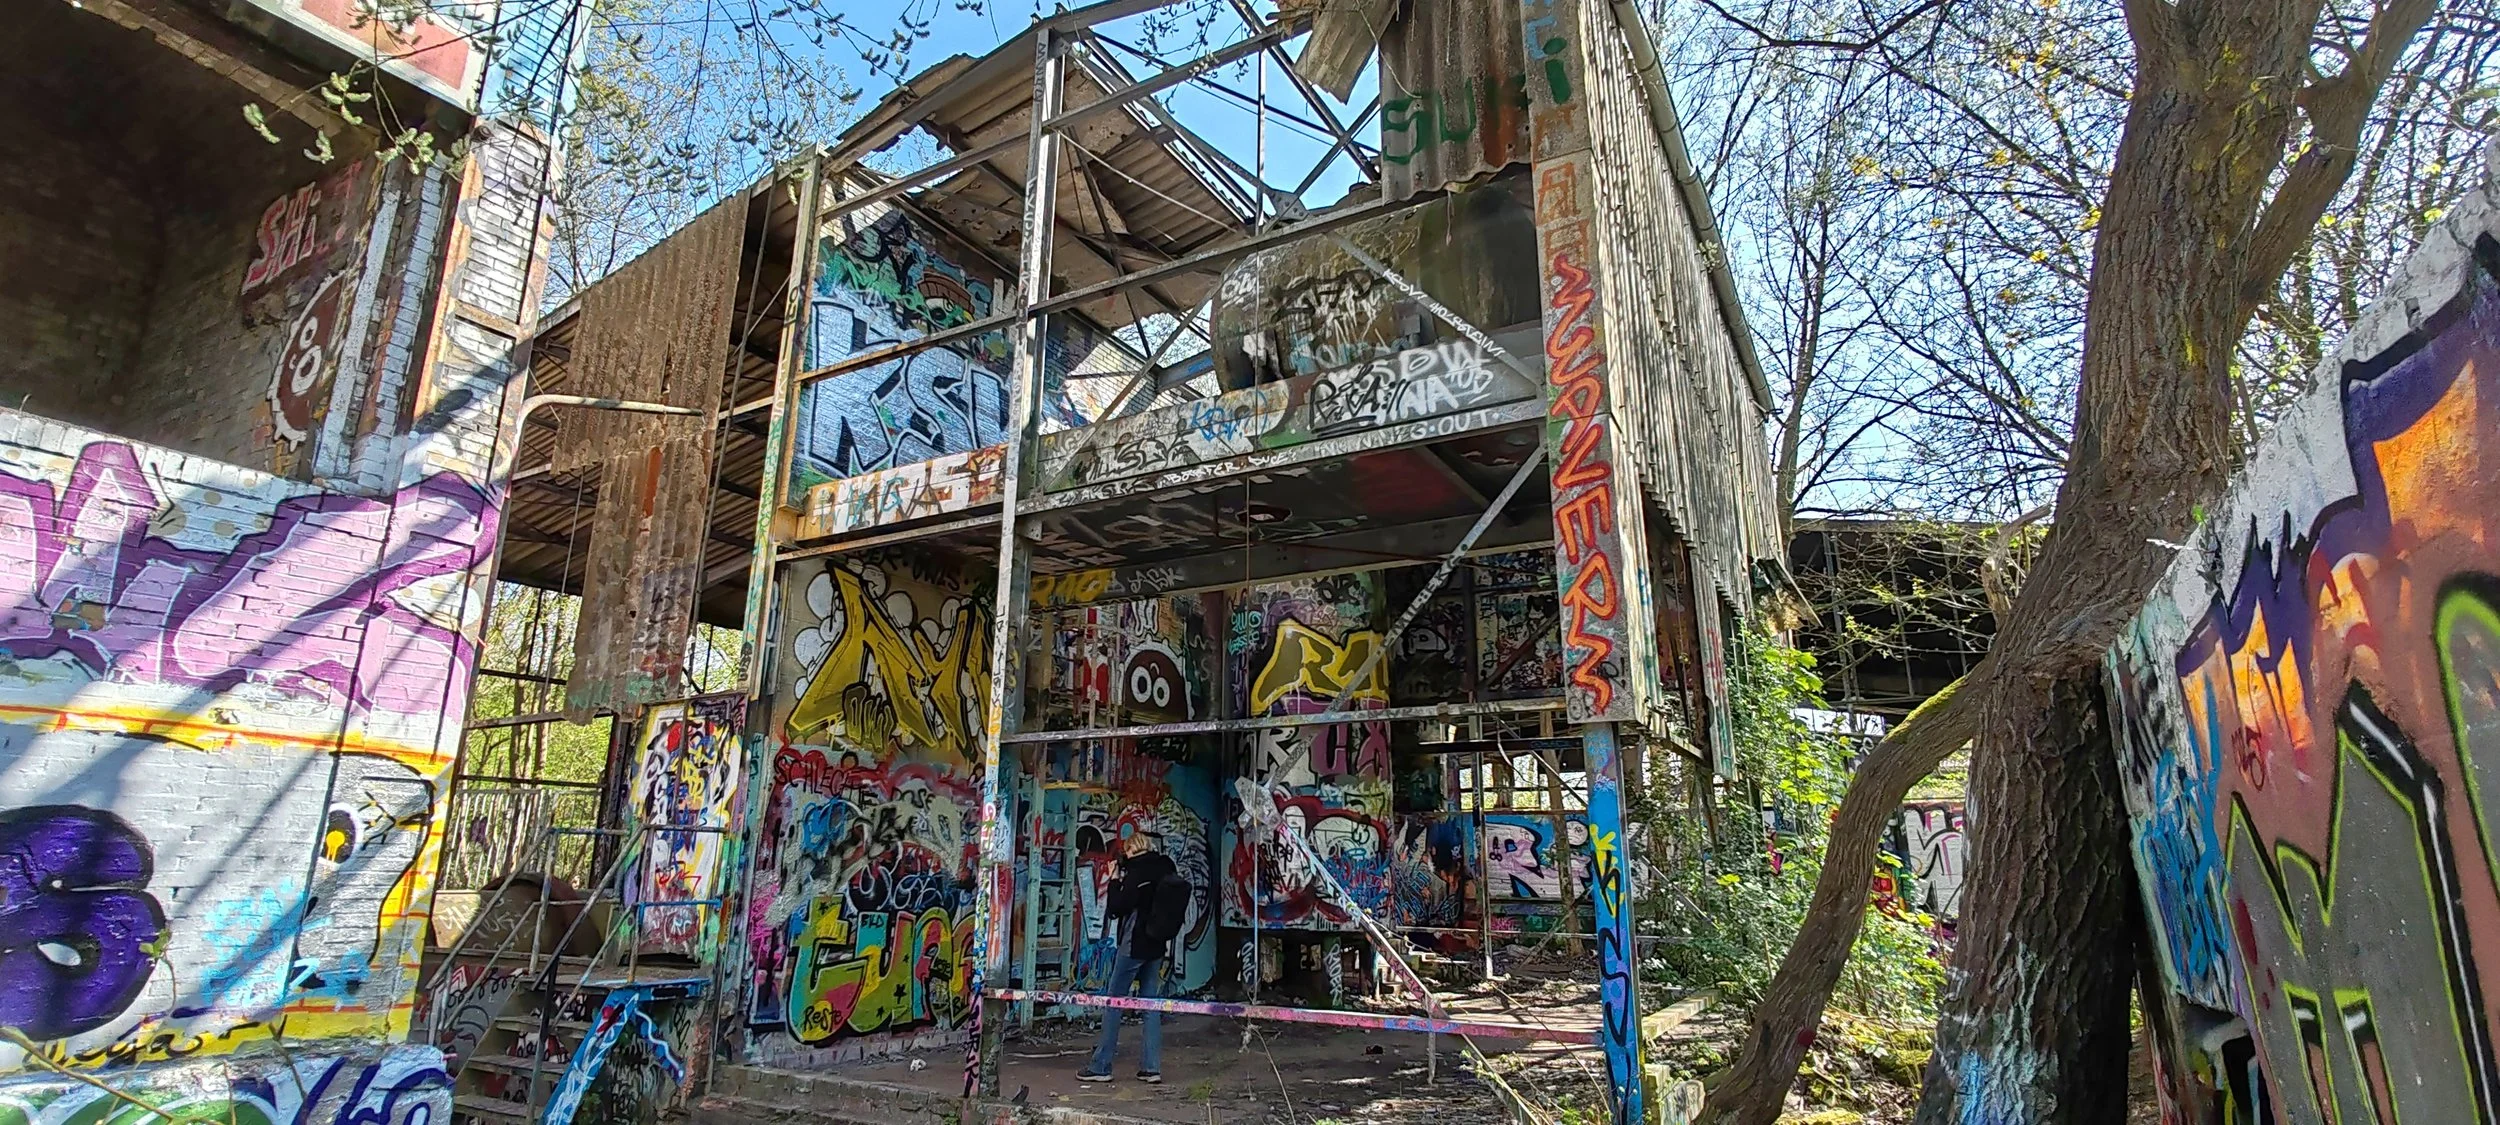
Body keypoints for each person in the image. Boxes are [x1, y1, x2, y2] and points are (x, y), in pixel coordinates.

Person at [1076, 828, 1188, 1084]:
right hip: (1157, 946)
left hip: (1133, 946)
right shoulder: (1165, 869)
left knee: (1114, 1003)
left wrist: (1114, 880)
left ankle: (1101, 1065)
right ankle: (1151, 1068)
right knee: (1150, 1006)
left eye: (1126, 851)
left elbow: (1116, 908)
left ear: (1132, 850)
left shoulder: (1137, 874)